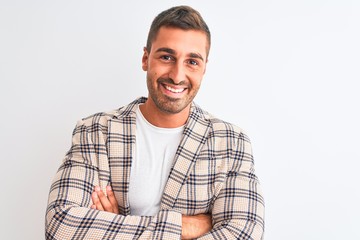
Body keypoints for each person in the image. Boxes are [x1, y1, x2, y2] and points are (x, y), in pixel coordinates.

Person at [45, 5, 264, 240]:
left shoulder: (231, 143)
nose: (177, 75)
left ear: (204, 69)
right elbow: (60, 226)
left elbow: (244, 235)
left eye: (192, 61)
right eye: (167, 57)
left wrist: (117, 224)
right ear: (146, 58)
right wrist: (185, 226)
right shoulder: (95, 132)